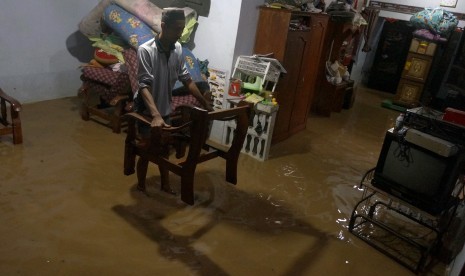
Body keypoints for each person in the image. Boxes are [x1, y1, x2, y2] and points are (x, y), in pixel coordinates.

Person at [135, 8, 212, 195]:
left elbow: (187, 79)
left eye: (182, 29)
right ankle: (141, 185)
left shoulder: (178, 49)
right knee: (146, 149)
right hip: (147, 111)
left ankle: (165, 184)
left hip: (165, 109)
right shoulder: (146, 51)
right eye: (176, 29)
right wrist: (154, 115)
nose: (180, 33)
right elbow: (144, 85)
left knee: (164, 149)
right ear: (163, 26)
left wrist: (204, 103)